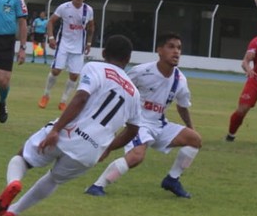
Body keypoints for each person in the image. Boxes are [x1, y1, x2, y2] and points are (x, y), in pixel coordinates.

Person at [0, 35, 142, 216]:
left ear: (103, 53)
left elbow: (81, 98)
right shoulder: (134, 93)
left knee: (23, 157)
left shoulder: (95, 67)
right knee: (53, 179)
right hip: (91, 151)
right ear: (128, 59)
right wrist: (108, 147)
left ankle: (13, 182)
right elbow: (133, 130)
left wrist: (56, 129)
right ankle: (13, 211)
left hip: (67, 133)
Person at [85, 32, 201, 199]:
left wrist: (191, 128)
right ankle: (97, 186)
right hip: (138, 124)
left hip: (160, 125)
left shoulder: (180, 80)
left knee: (195, 140)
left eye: (179, 48)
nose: (176, 52)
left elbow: (182, 106)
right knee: (136, 157)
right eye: (171, 47)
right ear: (159, 50)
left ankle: (172, 179)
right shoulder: (141, 72)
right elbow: (120, 89)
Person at [39, 0, 95, 111]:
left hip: (78, 47)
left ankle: (63, 100)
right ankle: (46, 95)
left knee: (74, 76)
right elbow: (51, 22)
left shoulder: (88, 10)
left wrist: (89, 43)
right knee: (56, 71)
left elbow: (91, 27)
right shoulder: (64, 7)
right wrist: (51, 37)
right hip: (63, 44)